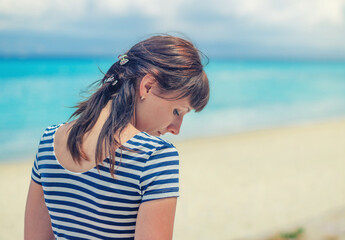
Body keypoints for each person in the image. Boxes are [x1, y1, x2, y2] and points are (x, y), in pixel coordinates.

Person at [24, 35, 209, 240]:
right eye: (177, 111)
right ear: (148, 86)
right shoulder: (155, 156)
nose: (176, 129)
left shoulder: (50, 140)